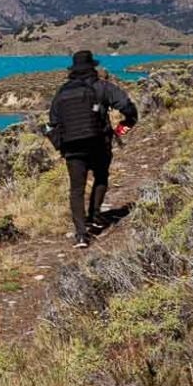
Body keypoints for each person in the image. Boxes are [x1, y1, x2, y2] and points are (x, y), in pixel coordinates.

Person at [46, 50, 138, 249]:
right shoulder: (102, 87)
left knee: (76, 189)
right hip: (98, 142)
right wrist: (122, 129)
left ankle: (81, 234)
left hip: (71, 147)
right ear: (93, 67)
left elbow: (53, 122)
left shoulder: (62, 92)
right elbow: (128, 107)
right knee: (101, 176)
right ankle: (95, 215)